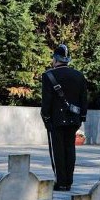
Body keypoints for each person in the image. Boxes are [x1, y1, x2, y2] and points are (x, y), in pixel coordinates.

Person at [41, 44, 87, 191]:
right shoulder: (79, 76)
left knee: (58, 151)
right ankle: (69, 181)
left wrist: (46, 117)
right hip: (74, 119)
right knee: (70, 150)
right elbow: (83, 99)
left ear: (55, 59)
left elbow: (46, 100)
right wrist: (82, 117)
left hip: (57, 119)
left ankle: (61, 182)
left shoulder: (48, 75)